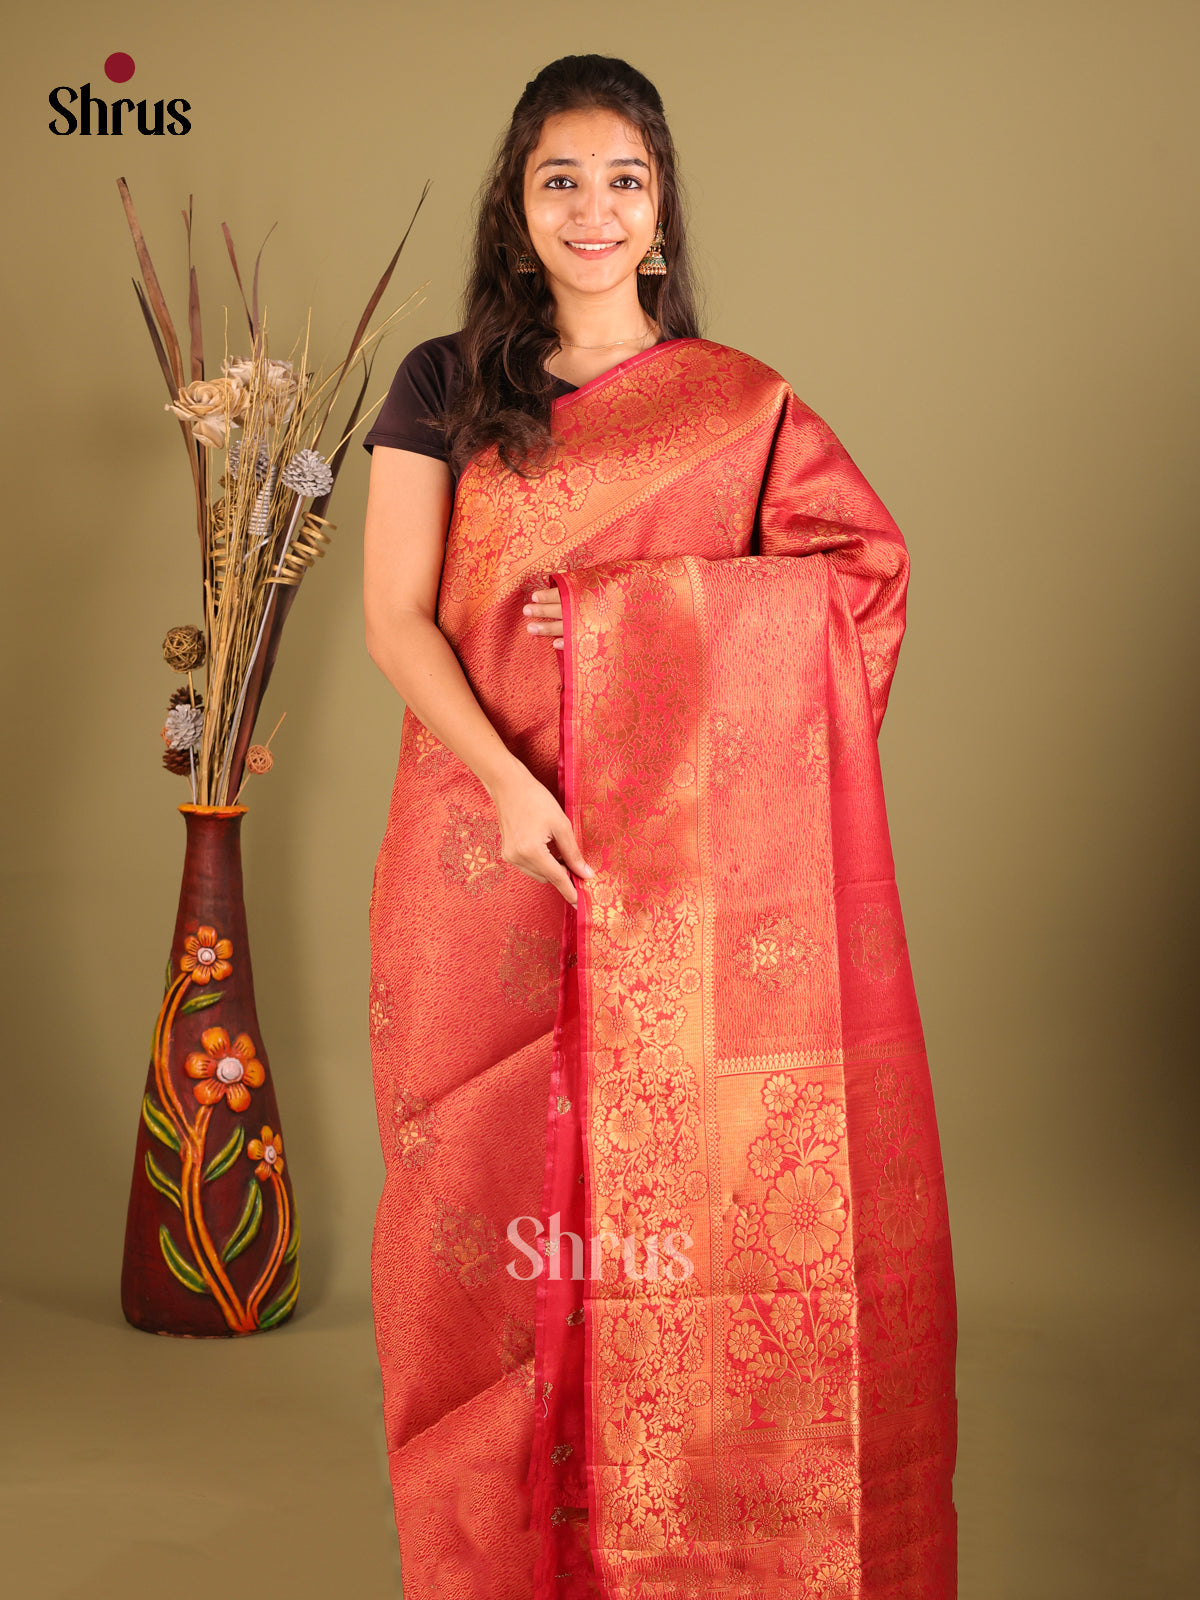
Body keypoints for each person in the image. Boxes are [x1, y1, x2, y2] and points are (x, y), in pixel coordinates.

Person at [361, 53, 957, 1600]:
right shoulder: (443, 382)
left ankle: (674, 1549)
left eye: (623, 179)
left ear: (663, 211)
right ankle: (504, 1563)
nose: (594, 209)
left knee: (674, 1217)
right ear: (518, 205)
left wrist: (639, 629)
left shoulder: (733, 406)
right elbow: (395, 620)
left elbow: (856, 586)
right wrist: (508, 784)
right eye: (562, 179)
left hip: (671, 880)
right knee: (481, 1217)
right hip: (478, 851)